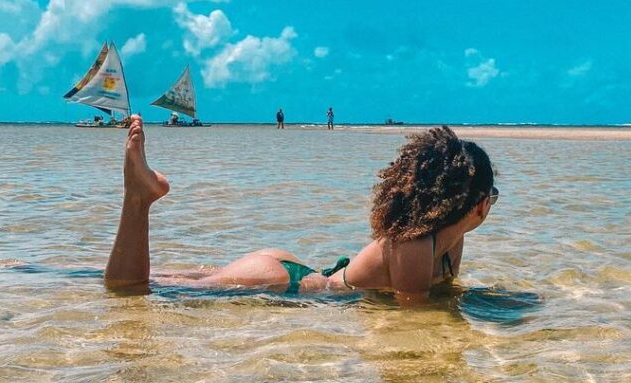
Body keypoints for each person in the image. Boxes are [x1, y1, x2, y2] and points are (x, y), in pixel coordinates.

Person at [104, 117, 498, 306]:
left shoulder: (450, 241)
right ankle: (137, 198)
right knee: (132, 289)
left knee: (164, 280)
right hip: (285, 284)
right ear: (479, 205)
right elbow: (418, 323)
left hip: (295, 272)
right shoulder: (415, 245)